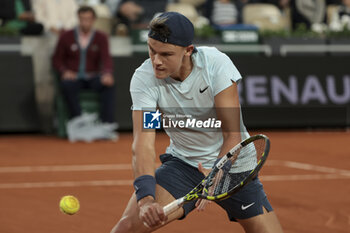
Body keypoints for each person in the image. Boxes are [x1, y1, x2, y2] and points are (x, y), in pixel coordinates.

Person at [110, 12, 283, 233]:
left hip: (234, 165)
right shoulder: (145, 81)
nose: (156, 61)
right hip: (184, 165)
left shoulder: (215, 65)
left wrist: (216, 177)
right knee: (126, 227)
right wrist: (146, 200)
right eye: (151, 50)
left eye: (166, 54)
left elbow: (232, 134)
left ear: (188, 51)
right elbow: (143, 142)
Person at [52, 6, 117, 140]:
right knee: (66, 84)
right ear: (78, 19)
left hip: (92, 77)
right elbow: (57, 59)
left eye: (88, 19)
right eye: (82, 19)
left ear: (93, 20)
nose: (85, 22)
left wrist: (107, 73)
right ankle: (79, 121)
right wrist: (64, 71)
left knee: (108, 85)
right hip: (74, 78)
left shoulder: (101, 37)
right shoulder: (66, 36)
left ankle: (106, 125)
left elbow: (106, 58)